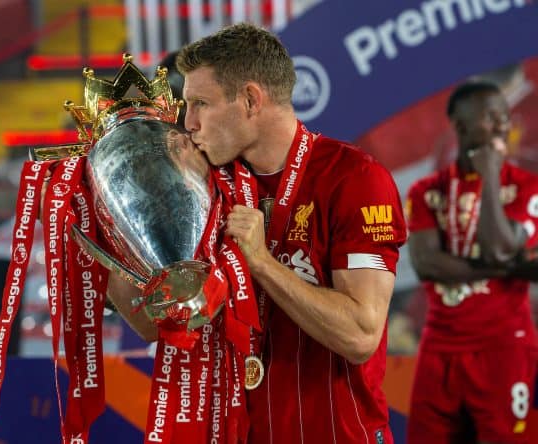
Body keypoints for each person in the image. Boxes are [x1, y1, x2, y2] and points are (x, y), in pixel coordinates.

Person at [107, 23, 407, 443]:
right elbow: (154, 326)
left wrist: (261, 262)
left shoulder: (353, 179)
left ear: (250, 99)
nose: (188, 122)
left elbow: (360, 335)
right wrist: (109, 230)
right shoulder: (204, 187)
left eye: (200, 104)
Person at [405, 80, 538, 444]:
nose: (501, 125)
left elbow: (496, 249)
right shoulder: (427, 191)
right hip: (439, 347)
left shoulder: (526, 186)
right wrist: (508, 267)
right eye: (491, 116)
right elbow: (428, 264)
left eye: (505, 117)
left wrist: (490, 177)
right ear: (461, 125)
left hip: (502, 346)